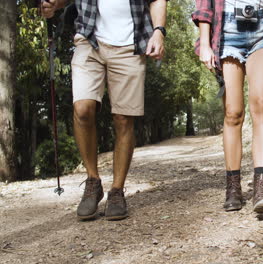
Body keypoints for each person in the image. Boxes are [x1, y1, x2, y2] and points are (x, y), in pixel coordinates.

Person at [41, 0, 169, 220]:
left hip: (130, 46)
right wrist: (53, 5)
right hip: (89, 40)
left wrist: (158, 32)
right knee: (82, 109)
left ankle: (117, 191)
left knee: (123, 118)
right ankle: (93, 181)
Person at [192, 0, 263, 213]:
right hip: (226, 33)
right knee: (233, 113)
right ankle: (233, 188)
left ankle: (261, 188)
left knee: (262, 105)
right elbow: (204, 6)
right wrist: (204, 43)